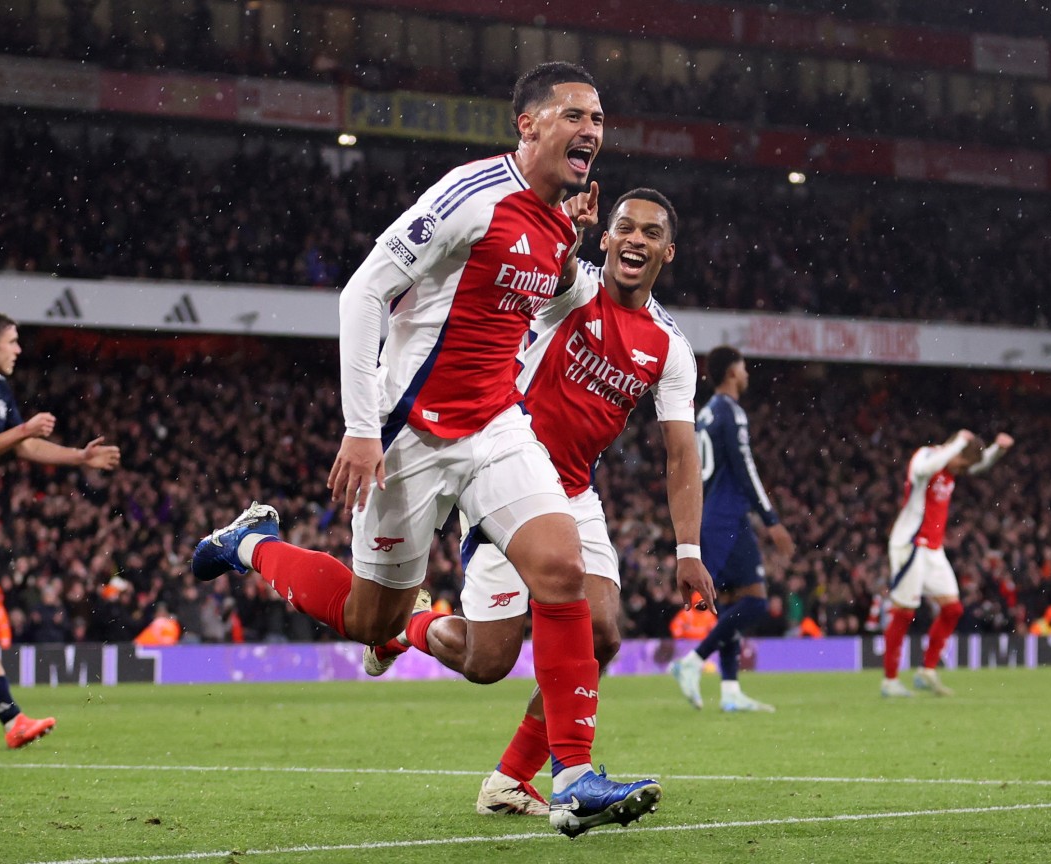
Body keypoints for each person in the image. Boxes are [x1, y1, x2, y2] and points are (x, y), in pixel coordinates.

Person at [191, 62, 663, 838]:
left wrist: (610, 270)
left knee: (562, 568)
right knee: (363, 616)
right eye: (575, 114)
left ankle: (573, 776)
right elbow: (363, 292)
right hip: (409, 430)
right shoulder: (469, 197)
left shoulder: (556, 231)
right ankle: (251, 545)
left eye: (600, 119)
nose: (592, 130)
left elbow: (564, 294)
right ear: (530, 124)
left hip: (495, 426)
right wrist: (361, 425)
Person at [363, 188, 716, 817]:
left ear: (668, 251)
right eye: (624, 228)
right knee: (484, 661)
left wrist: (688, 548)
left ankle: (513, 779)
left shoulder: (670, 348)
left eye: (650, 233)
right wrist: (564, 234)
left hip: (574, 493)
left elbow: (681, 453)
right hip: (506, 477)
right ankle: (405, 627)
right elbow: (547, 277)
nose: (635, 239)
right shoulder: (573, 287)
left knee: (603, 631)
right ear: (605, 239)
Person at [0, 311, 120, 748]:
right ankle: (12, 721)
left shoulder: (0, 391)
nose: (18, 350)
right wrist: (22, 429)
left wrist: (78, 458)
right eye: (12, 341)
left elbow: (25, 445)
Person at [668, 346, 794, 713]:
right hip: (728, 517)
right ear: (731, 372)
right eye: (743, 366)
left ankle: (730, 690)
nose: (747, 372)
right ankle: (692, 661)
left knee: (735, 605)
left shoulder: (705, 413)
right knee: (755, 601)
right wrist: (771, 519)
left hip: (708, 515)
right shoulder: (731, 413)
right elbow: (745, 468)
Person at [881, 429, 1014, 697]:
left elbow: (975, 466)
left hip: (933, 549)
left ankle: (926, 671)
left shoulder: (952, 467)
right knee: (905, 612)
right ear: (954, 450)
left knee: (952, 609)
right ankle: (890, 681)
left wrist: (996, 450)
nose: (962, 470)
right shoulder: (927, 456)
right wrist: (955, 447)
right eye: (961, 462)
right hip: (910, 544)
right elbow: (922, 471)